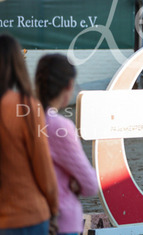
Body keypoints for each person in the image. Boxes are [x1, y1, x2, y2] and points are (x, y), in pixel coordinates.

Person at [0, 34, 58, 234]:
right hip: (27, 215)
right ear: (17, 65)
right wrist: (54, 209)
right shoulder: (25, 106)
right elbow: (43, 167)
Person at [35, 54, 98, 235]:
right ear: (69, 86)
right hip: (60, 221)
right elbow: (90, 184)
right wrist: (73, 183)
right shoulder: (59, 126)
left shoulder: (22, 121)